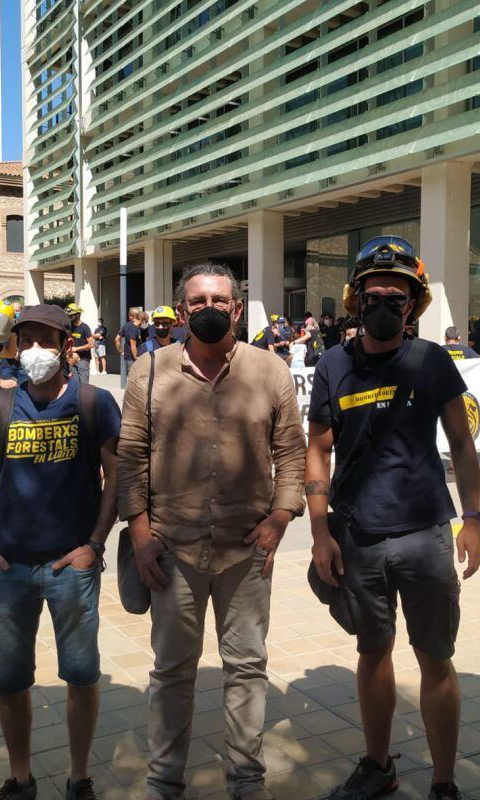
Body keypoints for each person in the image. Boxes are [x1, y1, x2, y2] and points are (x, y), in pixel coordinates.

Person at [119, 264, 305, 800]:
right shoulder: (148, 372)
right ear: (181, 311)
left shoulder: (270, 371)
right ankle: (164, 780)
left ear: (237, 309)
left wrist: (280, 518)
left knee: (247, 668)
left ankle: (246, 780)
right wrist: (139, 533)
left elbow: (291, 451)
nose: (209, 308)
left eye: (220, 300)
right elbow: (130, 456)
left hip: (245, 550)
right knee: (173, 671)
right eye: (197, 300)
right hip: (171, 548)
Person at [306, 235, 480, 800]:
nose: (385, 303)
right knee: (371, 652)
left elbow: (461, 441)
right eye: (374, 294)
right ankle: (378, 766)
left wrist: (473, 520)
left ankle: (444, 782)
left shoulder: (431, 360)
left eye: (397, 296)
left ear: (415, 304)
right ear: (355, 300)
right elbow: (317, 449)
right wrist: (317, 534)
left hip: (426, 535)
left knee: (436, 658)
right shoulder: (334, 363)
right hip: (357, 535)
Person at [0, 305, 120, 800]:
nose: (35, 350)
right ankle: (20, 777)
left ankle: (79, 777)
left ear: (67, 346)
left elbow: (116, 476)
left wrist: (94, 545)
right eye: (26, 340)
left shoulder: (94, 403)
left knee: (81, 674)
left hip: (70, 565)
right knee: (9, 682)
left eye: (45, 340)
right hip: (8, 566)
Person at [65, 303, 95, 384]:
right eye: (69, 315)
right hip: (72, 358)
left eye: (72, 315)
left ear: (78, 315)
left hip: (83, 360)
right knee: (74, 384)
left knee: (84, 385)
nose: (70, 317)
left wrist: (76, 349)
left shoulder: (85, 327)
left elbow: (91, 344)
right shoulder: (70, 327)